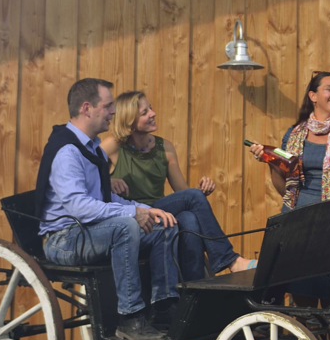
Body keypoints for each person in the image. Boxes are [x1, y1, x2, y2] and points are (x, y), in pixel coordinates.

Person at [36, 77, 180, 340]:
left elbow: (103, 197)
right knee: (125, 226)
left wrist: (147, 210)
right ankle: (130, 319)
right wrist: (133, 211)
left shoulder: (92, 148)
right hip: (64, 239)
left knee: (164, 226)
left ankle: (163, 307)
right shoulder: (67, 151)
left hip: (88, 232)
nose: (113, 112)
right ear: (87, 108)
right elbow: (79, 207)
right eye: (108, 106)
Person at [101, 90, 255, 281]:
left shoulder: (165, 147)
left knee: (189, 217)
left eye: (151, 108)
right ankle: (230, 260)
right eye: (144, 112)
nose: (153, 113)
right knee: (191, 204)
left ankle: (195, 286)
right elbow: (87, 177)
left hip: (158, 210)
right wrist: (109, 181)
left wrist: (202, 191)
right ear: (129, 120)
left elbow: (183, 192)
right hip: (132, 214)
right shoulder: (112, 146)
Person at [248, 70, 330, 307]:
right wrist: (270, 162)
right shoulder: (293, 134)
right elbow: (285, 190)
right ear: (313, 96)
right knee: (303, 308)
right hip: (297, 225)